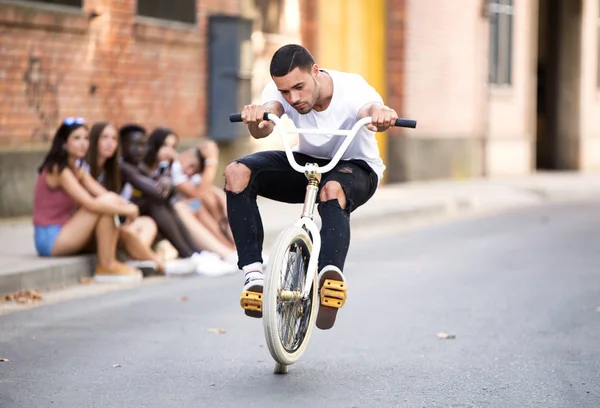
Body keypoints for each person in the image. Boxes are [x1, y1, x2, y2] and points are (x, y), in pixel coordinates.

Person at [224, 44, 399, 329]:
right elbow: (267, 122)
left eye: (299, 87)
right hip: (308, 164)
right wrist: (257, 118)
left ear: (315, 71)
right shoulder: (280, 94)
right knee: (236, 173)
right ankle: (254, 276)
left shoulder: (352, 88)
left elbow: (371, 110)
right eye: (285, 91)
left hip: (356, 167)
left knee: (332, 189)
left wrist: (381, 115)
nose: (294, 98)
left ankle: (329, 282)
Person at [33, 117, 142, 283]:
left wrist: (126, 205)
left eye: (85, 138)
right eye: (76, 138)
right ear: (64, 143)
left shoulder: (77, 169)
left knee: (107, 201)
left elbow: (103, 193)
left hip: (67, 231)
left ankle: (112, 262)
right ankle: (106, 265)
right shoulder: (58, 170)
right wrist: (126, 210)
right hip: (50, 237)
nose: (83, 143)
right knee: (102, 207)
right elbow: (89, 203)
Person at [120, 124, 235, 276]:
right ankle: (197, 254)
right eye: (165, 145)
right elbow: (169, 193)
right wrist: (211, 162)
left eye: (172, 146)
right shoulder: (137, 166)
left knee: (212, 197)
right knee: (179, 205)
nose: (169, 150)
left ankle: (227, 249)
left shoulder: (160, 166)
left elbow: (197, 193)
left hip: (164, 215)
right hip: (146, 216)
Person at [86, 121, 165, 275]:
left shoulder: (113, 169)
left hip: (112, 222)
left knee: (148, 223)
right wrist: (126, 209)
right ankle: (156, 262)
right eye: (104, 137)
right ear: (94, 140)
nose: (110, 143)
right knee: (128, 232)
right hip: (92, 227)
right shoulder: (85, 169)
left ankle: (134, 257)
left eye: (114, 139)